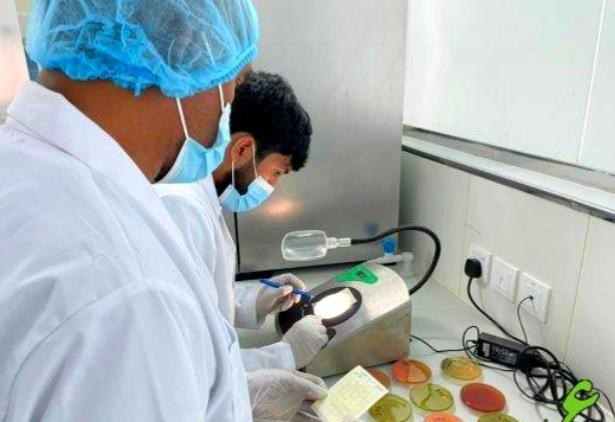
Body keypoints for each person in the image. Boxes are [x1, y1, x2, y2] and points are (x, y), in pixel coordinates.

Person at [0, 1, 326, 421]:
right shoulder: (127, 293)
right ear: (182, 51)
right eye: (234, 80)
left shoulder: (22, 166)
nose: (230, 103)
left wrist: (233, 389)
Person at [156, 72, 328, 373]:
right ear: (242, 150)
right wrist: (285, 355)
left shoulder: (200, 196)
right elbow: (193, 360)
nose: (272, 185)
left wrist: (256, 300)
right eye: (276, 172)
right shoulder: (182, 208)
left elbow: (202, 300)